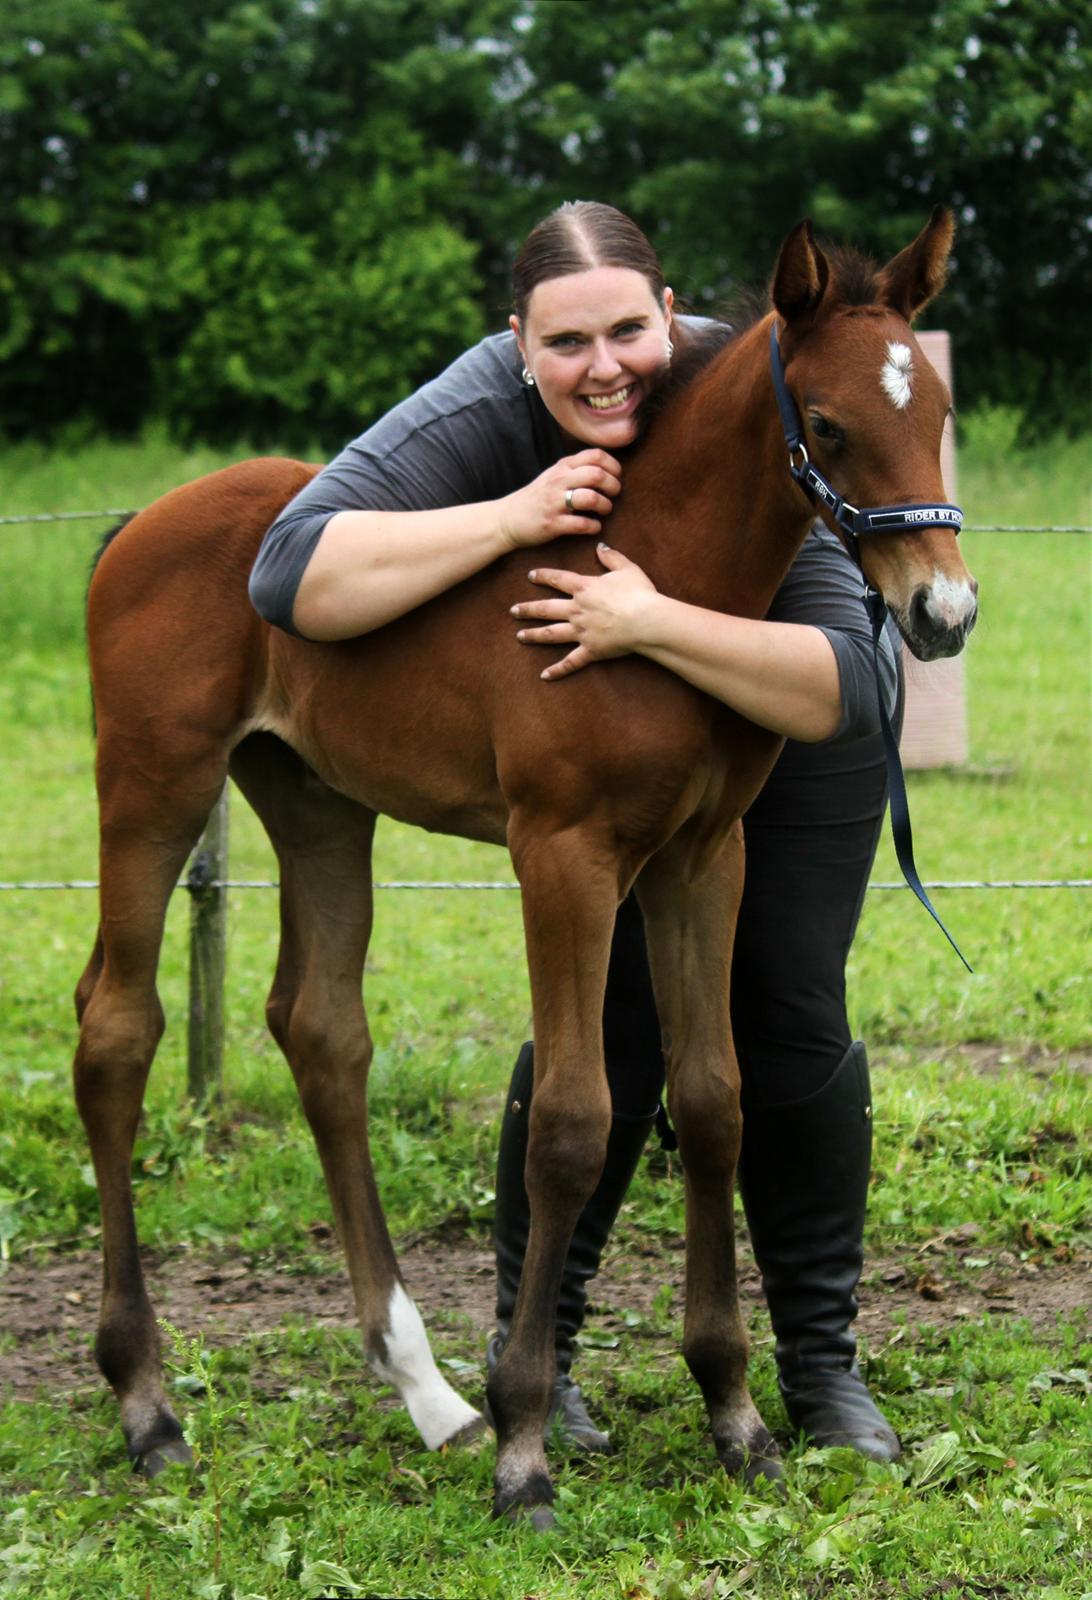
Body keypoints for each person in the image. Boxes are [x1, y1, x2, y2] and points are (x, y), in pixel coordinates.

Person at [248, 200, 903, 1464]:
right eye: (563, 344)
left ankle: (821, 1363)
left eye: (626, 331)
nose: (602, 366)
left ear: (672, 316)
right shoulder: (485, 404)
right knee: (610, 1026)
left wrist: (651, 622)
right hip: (597, 725)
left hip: (784, 707)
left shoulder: (754, 387)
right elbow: (286, 573)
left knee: (790, 1004)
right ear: (518, 345)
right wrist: (510, 516)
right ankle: (541, 1335)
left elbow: (855, 682)